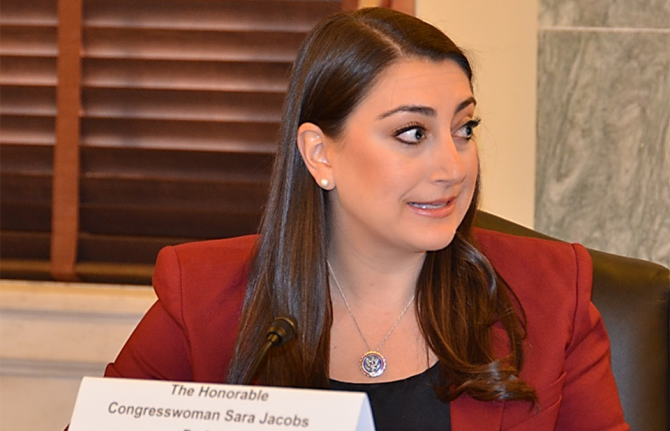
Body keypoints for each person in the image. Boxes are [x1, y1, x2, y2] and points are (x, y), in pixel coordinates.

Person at [104, 7, 629, 430]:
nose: (453, 166)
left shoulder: (553, 292)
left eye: (464, 128)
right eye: (412, 133)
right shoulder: (202, 296)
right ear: (320, 154)